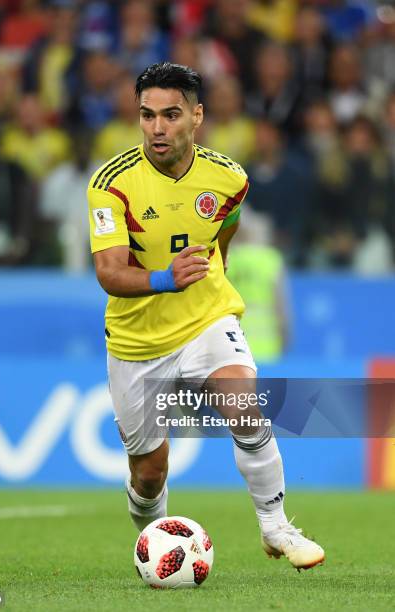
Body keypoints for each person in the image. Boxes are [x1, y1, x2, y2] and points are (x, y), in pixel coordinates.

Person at [87, 62, 324, 570]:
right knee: (150, 471)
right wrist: (165, 278)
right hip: (137, 340)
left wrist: (209, 278)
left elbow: (224, 231)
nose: (157, 128)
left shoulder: (229, 177)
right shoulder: (111, 185)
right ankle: (153, 538)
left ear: (196, 115)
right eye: (147, 116)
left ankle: (277, 528)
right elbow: (109, 273)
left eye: (170, 115)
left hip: (205, 318)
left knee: (244, 405)